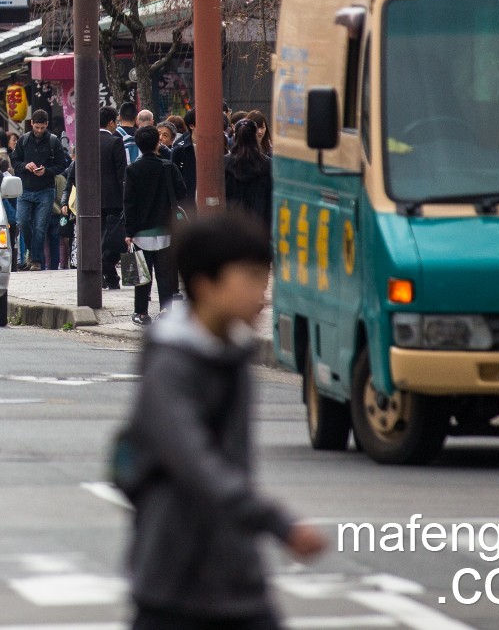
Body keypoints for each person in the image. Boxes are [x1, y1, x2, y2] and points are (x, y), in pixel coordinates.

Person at [117, 213, 324, 629]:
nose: (262, 295)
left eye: (264, 278)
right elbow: (196, 462)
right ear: (205, 284)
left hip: (236, 576)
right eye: (250, 278)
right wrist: (278, 524)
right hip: (173, 580)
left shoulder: (233, 354)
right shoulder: (170, 367)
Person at [123, 126, 179, 326]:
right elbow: (182, 194)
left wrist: (129, 232)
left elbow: (129, 203)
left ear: (138, 144)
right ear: (158, 143)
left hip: (140, 232)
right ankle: (166, 310)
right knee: (165, 273)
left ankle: (141, 313)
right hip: (166, 230)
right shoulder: (168, 167)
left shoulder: (133, 170)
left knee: (141, 275)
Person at [14, 110, 70, 272]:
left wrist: (47, 171)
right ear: (32, 124)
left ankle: (37, 260)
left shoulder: (53, 141)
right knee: (23, 222)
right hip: (25, 189)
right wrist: (26, 166)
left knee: (40, 226)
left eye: (42, 127)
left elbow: (62, 164)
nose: (39, 130)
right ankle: (33, 252)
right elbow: (15, 160)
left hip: (45, 190)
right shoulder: (23, 140)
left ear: (46, 125)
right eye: (37, 127)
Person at [96, 107, 130, 290]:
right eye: (115, 121)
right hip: (114, 199)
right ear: (110, 122)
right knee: (116, 239)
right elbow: (121, 174)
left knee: (100, 237)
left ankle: (104, 275)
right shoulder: (115, 142)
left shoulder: (87, 141)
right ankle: (106, 269)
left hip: (92, 200)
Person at [223, 118, 273, 232]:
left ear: (236, 136)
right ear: (255, 136)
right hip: (260, 223)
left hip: (232, 222)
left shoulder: (225, 163)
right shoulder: (267, 163)